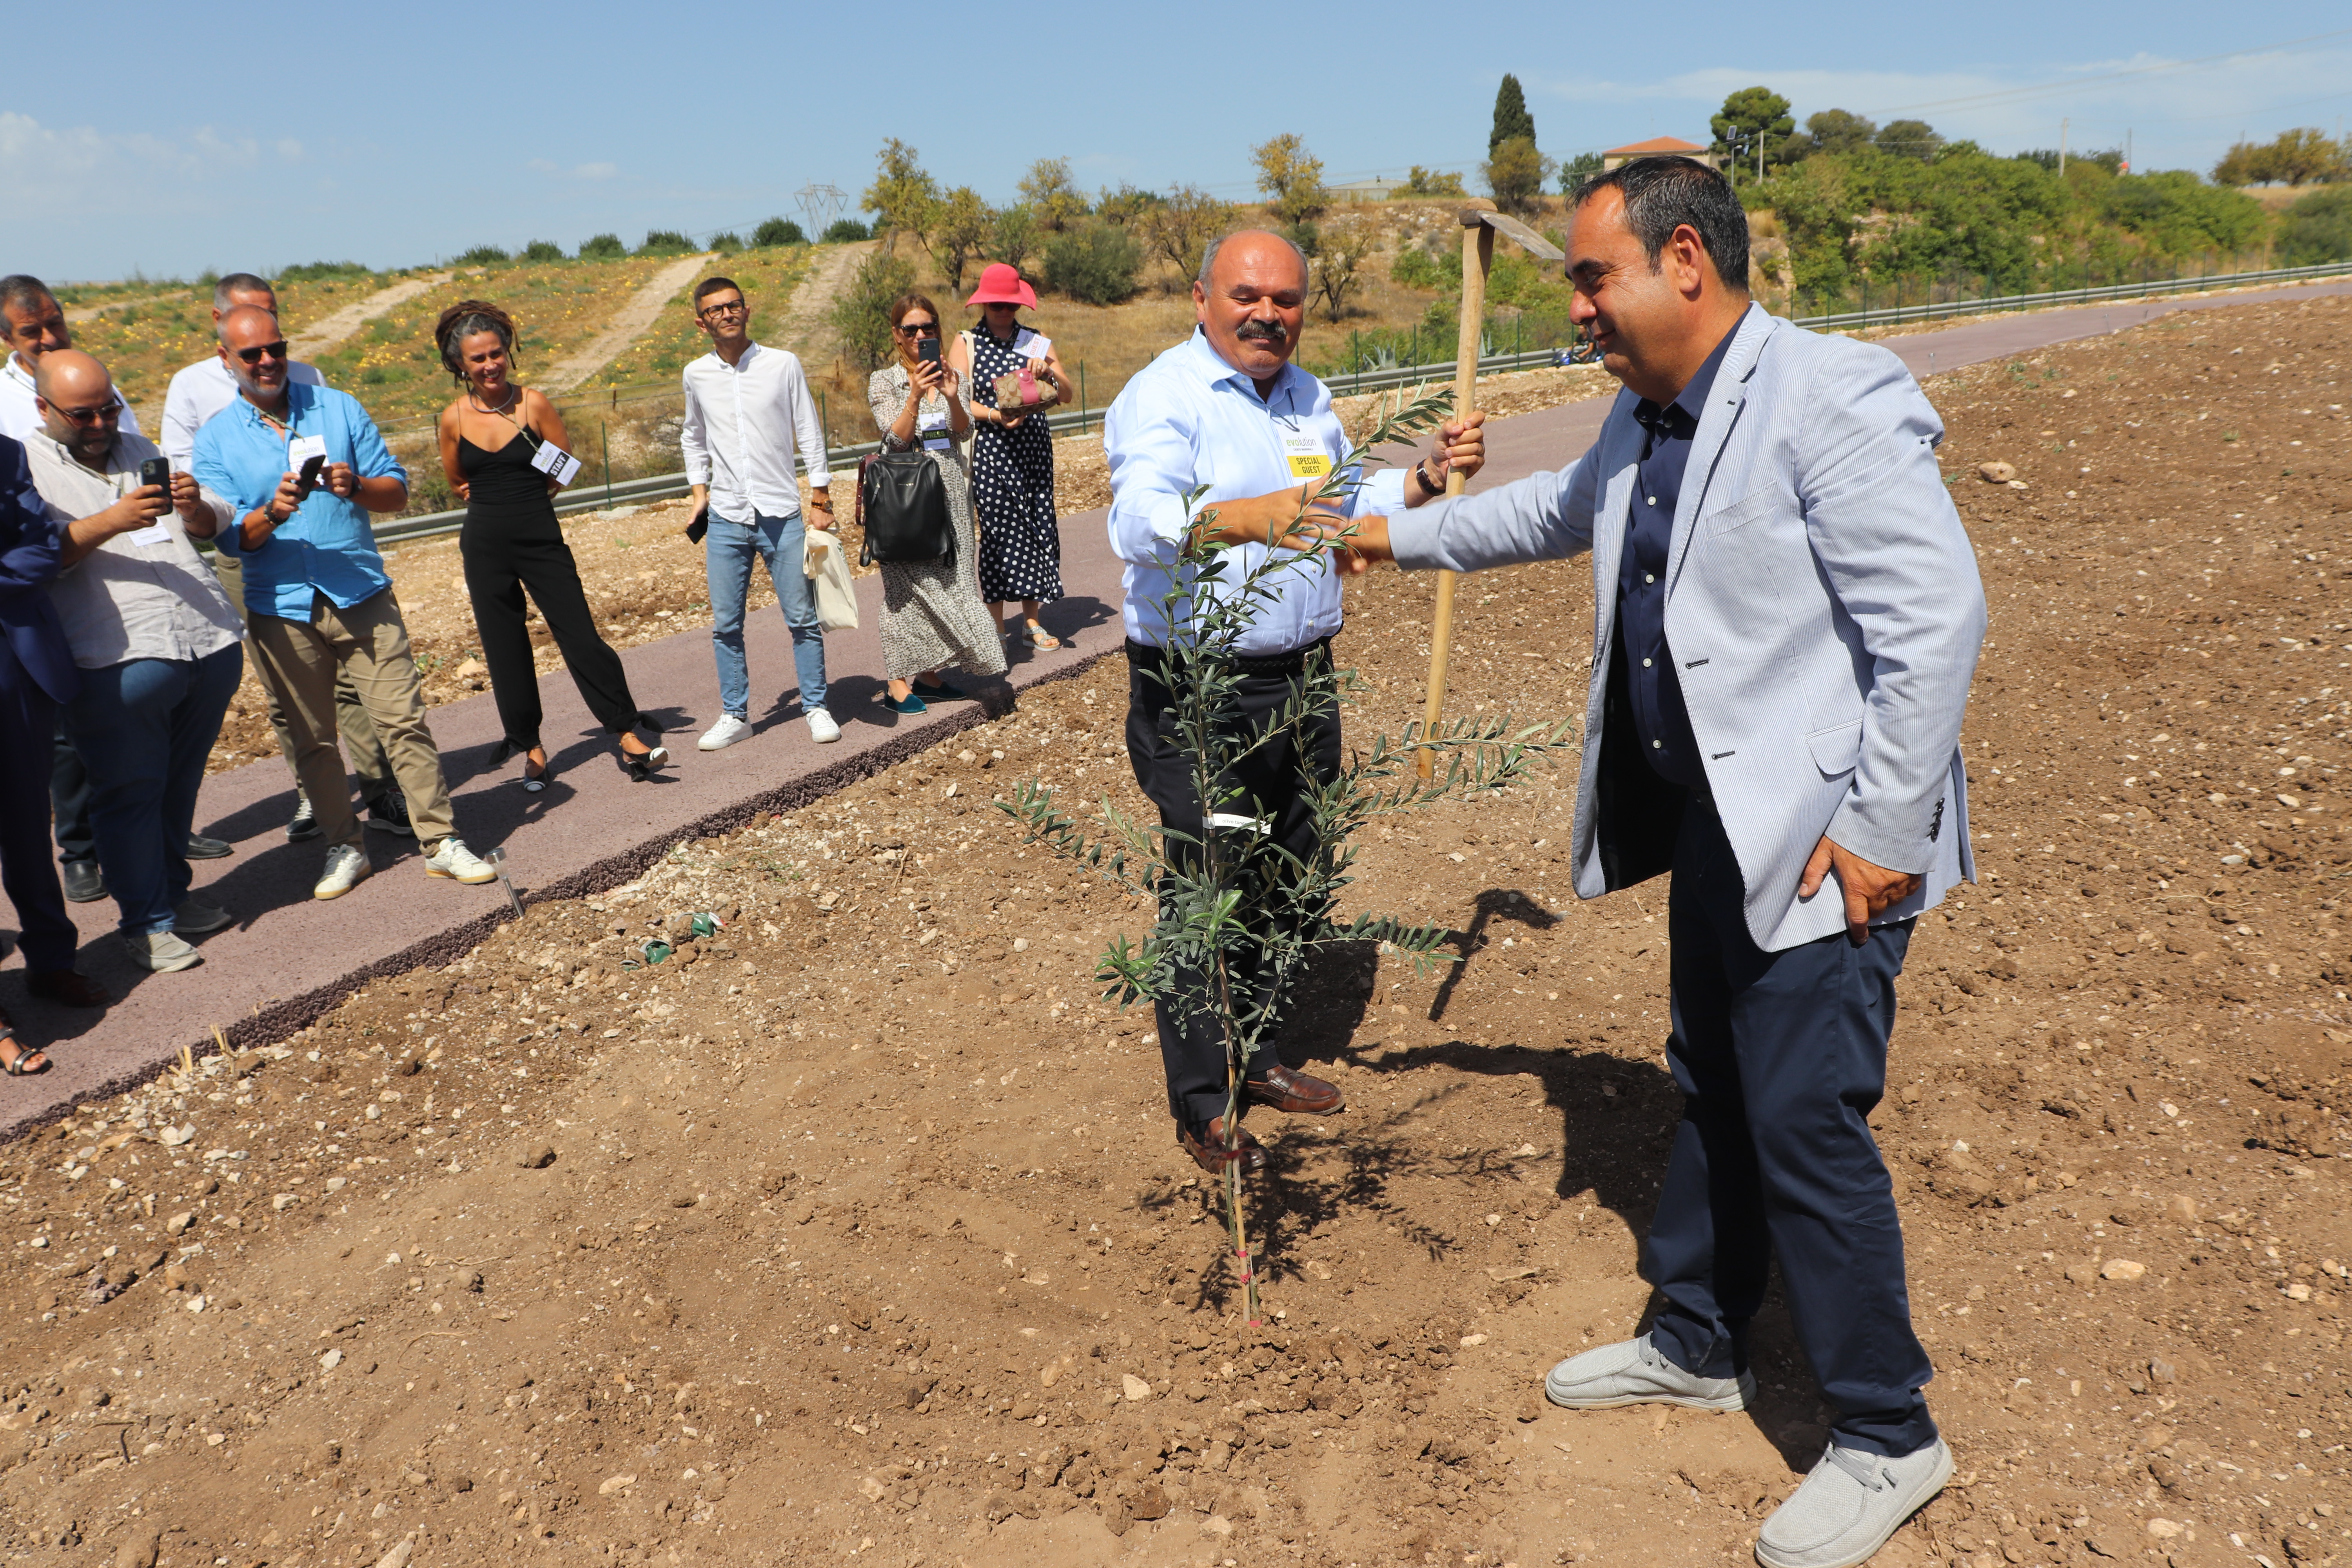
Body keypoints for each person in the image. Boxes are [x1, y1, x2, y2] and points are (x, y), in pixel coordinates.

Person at [1335, 157, 1983, 1568]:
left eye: (1590, 275)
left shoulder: (1826, 390)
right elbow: (1540, 517)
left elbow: (1935, 619)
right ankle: (1696, 1338)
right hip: (1717, 828)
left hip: (1827, 838)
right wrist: (1382, 534)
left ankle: (1885, 1431)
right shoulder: (1646, 419)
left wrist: (1879, 832)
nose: (1574, 305)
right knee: (1711, 1077)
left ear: (1682, 261)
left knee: (1805, 1117)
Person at [1102, 231, 1484, 1175]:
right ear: (1202, 298)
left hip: (1305, 678)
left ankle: (1258, 1054)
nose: (1267, 313)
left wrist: (1426, 478)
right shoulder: (1164, 396)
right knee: (1205, 887)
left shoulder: (1309, 398)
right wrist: (1243, 515)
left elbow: (1339, 501)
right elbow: (1135, 521)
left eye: (1285, 299)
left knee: (1287, 876)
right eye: (1246, 295)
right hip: (1200, 687)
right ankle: (1201, 1100)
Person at [192, 305, 497, 900]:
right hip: (280, 606)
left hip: (360, 590)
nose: (266, 362)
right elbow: (227, 538)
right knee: (313, 739)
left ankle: (441, 842)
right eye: (251, 354)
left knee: (403, 721)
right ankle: (344, 845)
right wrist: (274, 511)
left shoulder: (339, 407)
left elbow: (398, 492)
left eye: (275, 349)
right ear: (226, 359)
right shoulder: (215, 441)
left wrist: (354, 485)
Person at [162, 272, 406, 846]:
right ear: (221, 330)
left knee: (354, 683)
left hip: (326, 546)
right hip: (247, 544)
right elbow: (186, 476)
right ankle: (312, 794)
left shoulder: (311, 382)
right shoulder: (192, 386)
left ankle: (377, 788)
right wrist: (253, 511)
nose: (267, 351)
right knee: (289, 691)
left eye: (274, 330)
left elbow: (343, 450)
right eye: (251, 336)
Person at [26, 351, 243, 973]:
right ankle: (145, 923)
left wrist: (197, 506)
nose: (101, 425)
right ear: (44, 409)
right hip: (117, 658)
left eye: (109, 408)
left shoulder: (138, 444)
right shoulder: (27, 466)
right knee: (128, 794)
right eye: (83, 415)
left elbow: (212, 523)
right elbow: (33, 557)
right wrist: (108, 522)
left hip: (205, 640)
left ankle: (171, 897)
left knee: (178, 787)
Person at [435, 300, 667, 788]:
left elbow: (563, 468)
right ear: (460, 364)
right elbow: (458, 481)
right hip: (484, 543)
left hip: (539, 534)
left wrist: (525, 497)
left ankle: (625, 730)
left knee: (579, 633)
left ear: (508, 353)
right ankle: (530, 744)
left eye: (496, 353)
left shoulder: (533, 403)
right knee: (505, 647)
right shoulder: (452, 418)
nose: (489, 365)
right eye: (478, 359)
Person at [0, 274, 172, 908]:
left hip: (113, 560)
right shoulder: (5, 406)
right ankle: (78, 851)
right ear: (6, 337)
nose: (48, 337)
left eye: (55, 322)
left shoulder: (94, 377)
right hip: (46, 576)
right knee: (67, 735)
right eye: (31, 330)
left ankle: (144, 839)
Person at [678, 276, 838, 747]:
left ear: (747, 312)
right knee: (726, 625)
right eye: (716, 310)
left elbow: (809, 431)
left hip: (781, 513)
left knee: (803, 619)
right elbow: (693, 436)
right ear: (701, 321)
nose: (727, 314)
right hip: (727, 517)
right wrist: (698, 493)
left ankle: (816, 706)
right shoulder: (696, 375)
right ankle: (735, 714)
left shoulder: (782, 365)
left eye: (734, 306)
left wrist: (821, 499)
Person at [0, 432, 109, 1075]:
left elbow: (42, 553)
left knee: (25, 830)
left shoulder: (7, 454)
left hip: (16, 672)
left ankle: (51, 963)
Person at [864, 294, 1007, 715]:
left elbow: (962, 433)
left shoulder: (953, 376)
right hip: (905, 498)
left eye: (929, 328)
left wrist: (949, 394)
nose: (922, 336)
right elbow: (894, 439)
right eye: (912, 330)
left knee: (954, 580)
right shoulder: (883, 381)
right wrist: (913, 396)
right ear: (897, 336)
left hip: (948, 495)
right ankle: (896, 683)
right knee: (905, 589)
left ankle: (928, 676)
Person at [946, 263, 1070, 651]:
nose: (1004, 311)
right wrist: (997, 416)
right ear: (984, 304)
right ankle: (997, 625)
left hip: (1032, 449)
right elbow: (959, 400)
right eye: (997, 304)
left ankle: (1032, 621)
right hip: (992, 450)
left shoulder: (1035, 342)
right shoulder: (966, 342)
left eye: (1010, 305)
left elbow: (1066, 393)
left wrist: (1048, 370)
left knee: (1036, 527)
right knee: (998, 534)